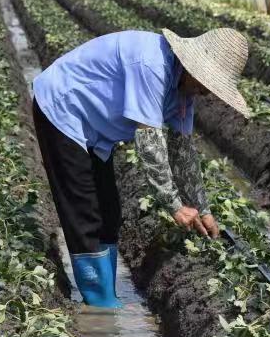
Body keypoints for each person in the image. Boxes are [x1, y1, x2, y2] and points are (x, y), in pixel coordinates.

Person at [32, 28, 249, 308]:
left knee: (109, 211)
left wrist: (202, 209)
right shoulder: (152, 65)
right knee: (84, 212)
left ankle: (106, 294)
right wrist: (175, 206)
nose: (207, 92)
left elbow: (183, 154)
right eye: (208, 83)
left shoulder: (184, 92)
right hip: (63, 109)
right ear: (193, 66)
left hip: (96, 127)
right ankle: (101, 306)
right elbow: (150, 146)